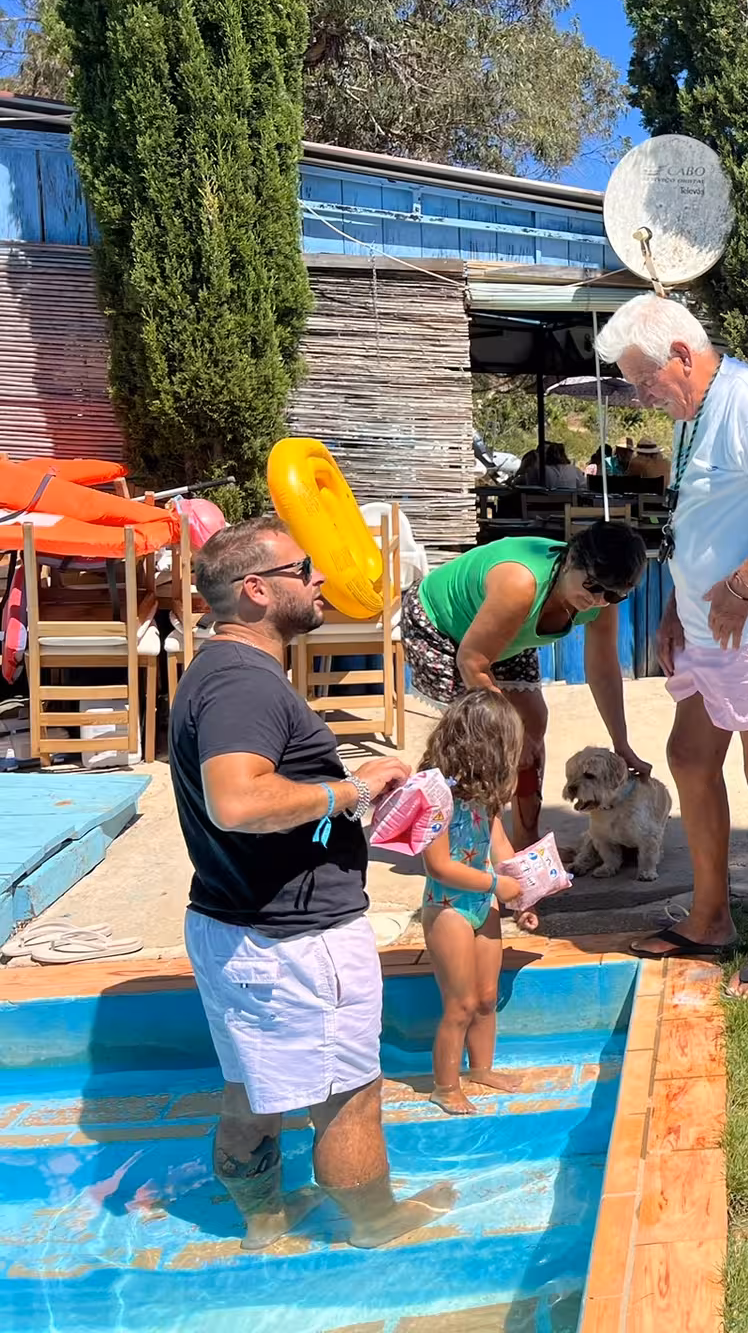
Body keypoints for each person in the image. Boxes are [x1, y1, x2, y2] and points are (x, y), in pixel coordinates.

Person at [170, 517, 453, 1250]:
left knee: (251, 1094)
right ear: (257, 590)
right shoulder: (243, 683)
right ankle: (377, 1229)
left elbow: (256, 792)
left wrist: (344, 791)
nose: (322, 577)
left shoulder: (217, 668)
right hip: (294, 941)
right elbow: (238, 801)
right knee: (350, 1101)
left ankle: (262, 1219)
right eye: (306, 568)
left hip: (234, 924)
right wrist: (347, 792)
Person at [595, 295, 748, 996]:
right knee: (689, 757)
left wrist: (745, 585)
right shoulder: (693, 416)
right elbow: (701, 518)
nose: (642, 396)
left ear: (681, 356)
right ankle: (710, 920)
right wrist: (675, 604)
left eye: (644, 380)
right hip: (703, 627)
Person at [402, 520, 650, 840]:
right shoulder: (520, 584)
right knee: (482, 740)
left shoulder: (602, 599)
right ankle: (467, 844)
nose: (599, 599)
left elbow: (603, 670)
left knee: (534, 721)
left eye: (614, 595)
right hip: (441, 628)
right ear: (572, 558)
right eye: (593, 586)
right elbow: (473, 661)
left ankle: (525, 842)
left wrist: (622, 744)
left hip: (507, 634)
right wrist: (510, 737)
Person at [416, 689, 536, 1116]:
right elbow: (439, 866)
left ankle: (481, 1069)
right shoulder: (436, 795)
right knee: (460, 1003)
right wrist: (493, 885)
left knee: (486, 997)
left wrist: (522, 888)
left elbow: (498, 842)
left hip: (484, 905)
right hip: (448, 907)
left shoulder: (483, 794)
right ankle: (444, 1086)